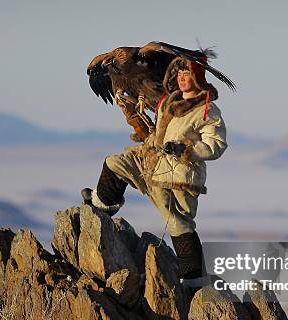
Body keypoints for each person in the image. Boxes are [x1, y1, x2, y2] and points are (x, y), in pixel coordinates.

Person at [82, 56, 227, 294]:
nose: (181, 79)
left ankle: (194, 282)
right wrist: (143, 132)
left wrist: (186, 149)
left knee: (179, 224)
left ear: (198, 79)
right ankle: (100, 207)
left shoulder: (207, 110)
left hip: (179, 174)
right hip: (152, 161)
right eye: (178, 75)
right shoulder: (167, 102)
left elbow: (216, 145)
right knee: (115, 164)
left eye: (187, 75)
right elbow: (158, 134)